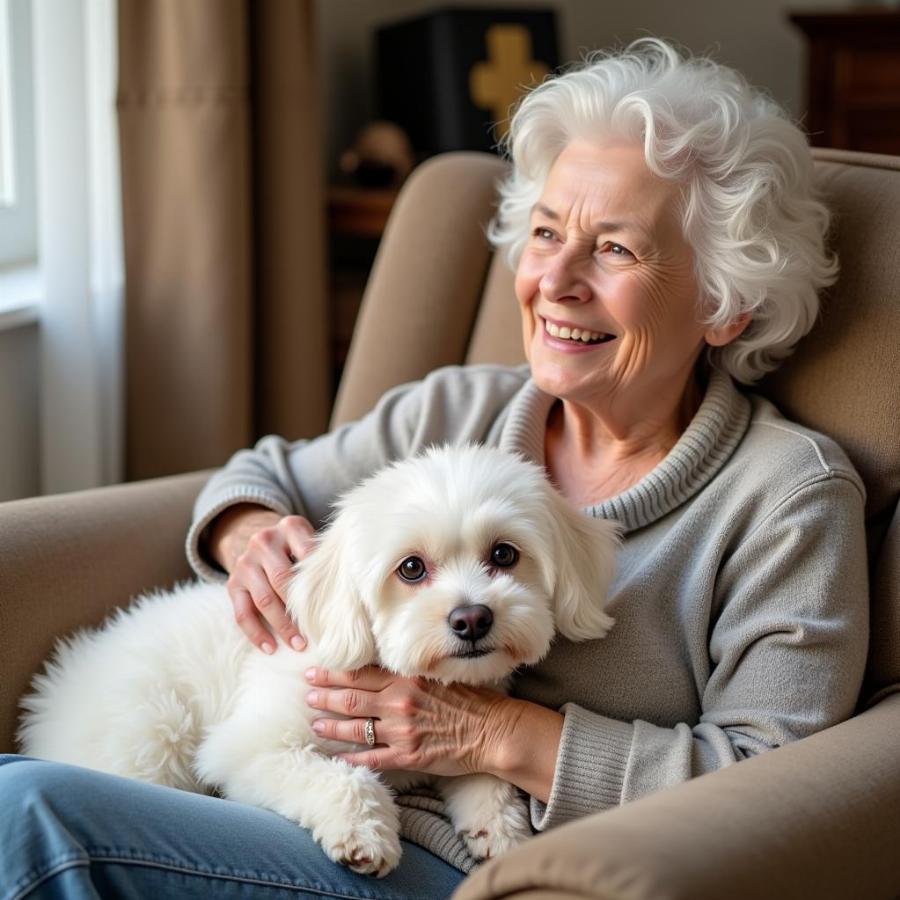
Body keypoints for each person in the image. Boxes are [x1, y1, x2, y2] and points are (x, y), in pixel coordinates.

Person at [1, 38, 868, 899]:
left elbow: (777, 791)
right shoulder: (454, 413)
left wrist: (496, 736)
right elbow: (261, 475)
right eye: (545, 233)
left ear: (726, 302)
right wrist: (253, 535)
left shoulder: (785, 499)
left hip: (453, 861)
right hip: (299, 801)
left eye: (614, 249)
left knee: (32, 813)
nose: (554, 280)